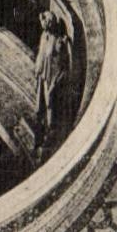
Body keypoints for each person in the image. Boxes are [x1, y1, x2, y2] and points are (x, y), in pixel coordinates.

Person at [34, 8, 72, 142]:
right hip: (43, 74)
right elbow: (40, 55)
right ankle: (44, 128)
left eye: (46, 24)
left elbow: (63, 64)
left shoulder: (57, 41)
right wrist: (37, 71)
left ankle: (51, 129)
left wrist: (57, 81)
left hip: (52, 76)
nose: (44, 27)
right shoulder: (44, 37)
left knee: (50, 101)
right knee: (43, 103)